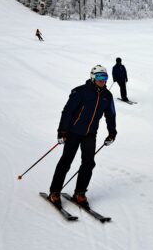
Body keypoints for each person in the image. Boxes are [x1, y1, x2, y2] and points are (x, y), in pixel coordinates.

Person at [48, 65, 117, 208]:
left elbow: (110, 116)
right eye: (99, 77)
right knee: (66, 161)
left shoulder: (107, 96)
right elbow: (67, 111)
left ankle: (80, 193)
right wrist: (62, 131)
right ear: (93, 77)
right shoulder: (80, 91)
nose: (102, 80)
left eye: (105, 78)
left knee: (88, 163)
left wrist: (112, 132)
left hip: (90, 134)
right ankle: (54, 191)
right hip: (73, 132)